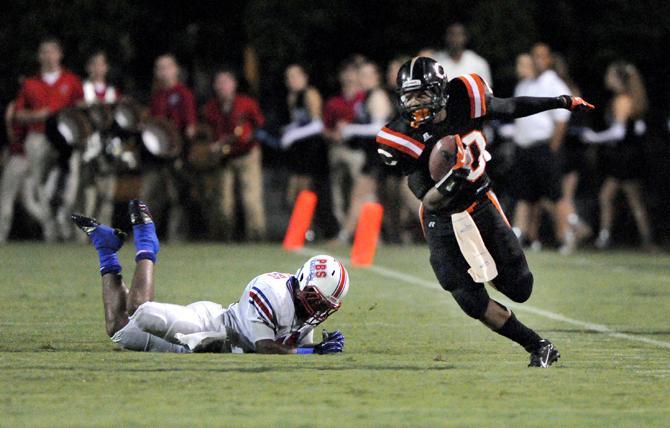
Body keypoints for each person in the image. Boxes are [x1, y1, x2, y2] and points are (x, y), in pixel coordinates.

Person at [375, 56, 594, 367]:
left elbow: (510, 107)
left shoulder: (466, 95)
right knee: (467, 297)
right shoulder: (400, 136)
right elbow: (428, 199)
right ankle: (537, 345)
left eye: (422, 94)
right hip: (441, 218)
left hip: (480, 202)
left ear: (441, 92)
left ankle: (489, 265)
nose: (415, 102)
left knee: (520, 288)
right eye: (409, 95)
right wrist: (454, 177)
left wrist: (560, 101)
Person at [71, 200, 348, 354]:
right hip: (210, 327)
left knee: (118, 328)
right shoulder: (271, 290)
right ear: (301, 283)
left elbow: (298, 351)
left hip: (204, 349)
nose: (317, 308)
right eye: (314, 299)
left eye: (323, 304)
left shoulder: (304, 307)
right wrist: (317, 352)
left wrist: (318, 348)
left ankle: (105, 247)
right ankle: (147, 241)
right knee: (140, 312)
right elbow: (266, 348)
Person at [12, 38, 84, 242]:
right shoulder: (30, 83)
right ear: (39, 56)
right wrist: (38, 115)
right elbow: (18, 114)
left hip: (66, 140)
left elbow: (81, 111)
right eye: (44, 52)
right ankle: (50, 228)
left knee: (71, 182)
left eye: (52, 51)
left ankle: (65, 220)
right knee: (39, 187)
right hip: (39, 136)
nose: (48, 56)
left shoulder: (71, 81)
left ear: (59, 55)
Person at [581, 61, 655, 251]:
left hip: (624, 156)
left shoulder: (621, 99)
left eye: (610, 75)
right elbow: (638, 128)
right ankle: (643, 238)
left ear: (617, 79)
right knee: (630, 198)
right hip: (631, 153)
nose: (607, 78)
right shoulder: (633, 98)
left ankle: (606, 238)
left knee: (610, 196)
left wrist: (594, 137)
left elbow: (619, 132)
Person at [511, 43, 576, 253]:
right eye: (535, 56)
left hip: (543, 147)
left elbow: (562, 117)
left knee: (556, 196)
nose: (538, 60)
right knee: (526, 196)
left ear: (548, 60)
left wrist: (553, 148)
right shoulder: (526, 85)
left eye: (542, 56)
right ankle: (521, 237)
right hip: (524, 148)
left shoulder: (553, 83)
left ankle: (566, 237)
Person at [202, 69, 266, 241]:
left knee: (251, 199)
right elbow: (208, 132)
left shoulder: (247, 103)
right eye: (219, 82)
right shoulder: (210, 108)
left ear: (234, 84)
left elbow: (260, 126)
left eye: (226, 82)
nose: (223, 86)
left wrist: (249, 136)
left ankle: (257, 238)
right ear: (215, 86)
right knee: (223, 202)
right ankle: (224, 239)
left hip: (247, 154)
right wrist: (213, 147)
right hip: (224, 157)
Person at [336, 60, 394, 242]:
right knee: (368, 196)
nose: (363, 79)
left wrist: (350, 129)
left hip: (381, 154)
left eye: (368, 75)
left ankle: (345, 237)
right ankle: (375, 237)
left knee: (362, 195)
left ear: (377, 77)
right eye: (362, 75)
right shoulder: (366, 97)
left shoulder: (377, 96)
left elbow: (379, 128)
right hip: (373, 154)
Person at [142, 54, 197, 240]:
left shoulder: (183, 94)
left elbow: (190, 128)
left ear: (176, 70)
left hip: (175, 155)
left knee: (177, 199)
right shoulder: (156, 96)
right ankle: (146, 238)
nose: (163, 71)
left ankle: (177, 239)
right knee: (148, 198)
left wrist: (184, 153)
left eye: (167, 67)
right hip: (155, 156)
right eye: (159, 68)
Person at [280, 64, 338, 240]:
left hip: (313, 149)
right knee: (292, 194)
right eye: (289, 77)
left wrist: (292, 135)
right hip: (299, 150)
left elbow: (317, 124)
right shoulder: (292, 97)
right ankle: (305, 230)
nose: (292, 80)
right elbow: (298, 122)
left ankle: (310, 231)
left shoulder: (310, 94)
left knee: (306, 192)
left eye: (296, 76)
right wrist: (288, 130)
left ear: (305, 78)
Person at [323, 59, 366, 233]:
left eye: (352, 72)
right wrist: (335, 135)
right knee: (338, 192)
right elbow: (325, 128)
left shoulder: (364, 98)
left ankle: (359, 229)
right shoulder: (334, 102)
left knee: (359, 190)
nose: (349, 77)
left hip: (358, 151)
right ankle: (343, 228)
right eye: (345, 73)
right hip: (338, 148)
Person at [80, 51, 120, 231]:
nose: (97, 68)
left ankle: (105, 231)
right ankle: (84, 233)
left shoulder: (112, 92)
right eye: (94, 64)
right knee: (87, 190)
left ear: (106, 68)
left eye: (101, 64)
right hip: (87, 146)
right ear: (88, 67)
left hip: (109, 145)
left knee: (107, 192)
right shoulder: (83, 90)